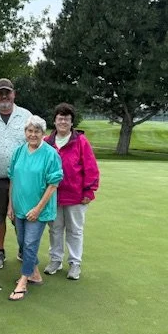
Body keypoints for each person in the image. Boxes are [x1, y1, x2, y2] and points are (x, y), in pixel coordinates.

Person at [7, 115, 63, 301]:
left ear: (43, 133)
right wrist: (10, 205)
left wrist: (38, 209)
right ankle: (35, 274)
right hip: (19, 208)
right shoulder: (18, 152)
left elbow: (53, 184)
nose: (32, 134)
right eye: (29, 131)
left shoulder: (50, 154)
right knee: (23, 244)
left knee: (30, 244)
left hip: (39, 210)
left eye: (36, 131)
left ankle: (23, 282)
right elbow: (13, 179)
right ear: (25, 133)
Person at [44, 103, 100, 280]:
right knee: (55, 229)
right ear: (55, 120)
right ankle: (55, 260)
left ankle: (75, 263)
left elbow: (91, 167)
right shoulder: (47, 142)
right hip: (53, 195)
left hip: (76, 195)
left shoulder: (80, 141)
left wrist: (89, 191)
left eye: (67, 119)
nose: (63, 122)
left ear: (71, 122)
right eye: (60, 118)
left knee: (75, 230)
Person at [0, 78, 32, 268]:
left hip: (21, 179)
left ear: (14, 94)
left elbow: (34, 143)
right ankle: (0, 251)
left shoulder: (26, 115)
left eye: (7, 92)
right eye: (0, 93)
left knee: (22, 217)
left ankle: (23, 248)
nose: (4, 96)